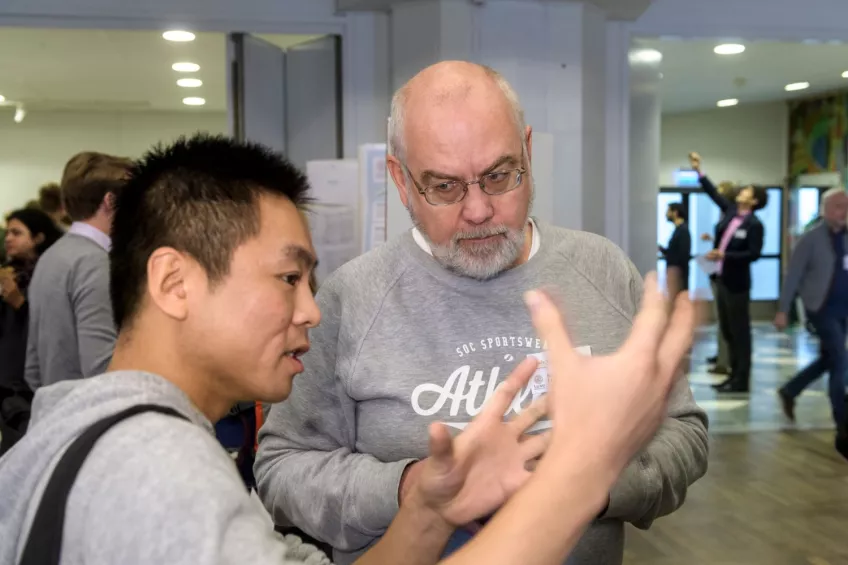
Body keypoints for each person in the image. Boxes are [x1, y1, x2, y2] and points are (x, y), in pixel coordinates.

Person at [0, 134, 698, 565]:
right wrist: (579, 474)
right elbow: (288, 467)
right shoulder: (157, 470)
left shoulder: (77, 424)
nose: (311, 307)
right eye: (288, 277)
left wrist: (429, 502)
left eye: (499, 174)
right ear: (174, 281)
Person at [256, 62, 709, 565]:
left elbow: (684, 435)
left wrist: (591, 485)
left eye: (499, 176)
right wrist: (409, 487)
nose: (477, 210)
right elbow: (281, 467)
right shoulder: (352, 296)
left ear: (528, 155)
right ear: (400, 181)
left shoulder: (602, 270)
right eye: (445, 187)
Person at [24, 152, 133, 391]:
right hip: (94, 418)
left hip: (58, 415)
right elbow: (102, 367)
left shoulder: (50, 257)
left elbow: (33, 369)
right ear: (111, 202)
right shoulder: (95, 263)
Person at [774, 188, 848, 460]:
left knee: (831, 359)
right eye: (839, 206)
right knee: (840, 360)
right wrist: (783, 310)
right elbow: (793, 276)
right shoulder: (811, 239)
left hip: (844, 309)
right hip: (821, 309)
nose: (844, 210)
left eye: (847, 205)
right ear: (825, 209)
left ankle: (790, 390)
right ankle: (843, 424)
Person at [689, 152, 766, 393]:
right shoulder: (732, 212)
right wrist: (698, 171)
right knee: (728, 331)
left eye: (748, 191)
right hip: (721, 280)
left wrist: (725, 256)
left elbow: (754, 254)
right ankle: (733, 376)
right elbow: (714, 194)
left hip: (737, 284)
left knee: (740, 333)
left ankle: (742, 379)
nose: (742, 191)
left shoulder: (755, 224)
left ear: (754, 201)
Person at [0, 209, 63, 454]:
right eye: (8, 232)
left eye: (17, 233)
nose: (8, 239)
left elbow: (50, 329)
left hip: (34, 385)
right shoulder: (8, 273)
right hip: (8, 385)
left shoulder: (48, 275)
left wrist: (19, 302)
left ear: (38, 238)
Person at [699, 181, 737, 375]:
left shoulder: (733, 215)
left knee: (727, 323)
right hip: (717, 272)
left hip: (728, 276)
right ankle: (722, 356)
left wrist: (700, 174)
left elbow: (732, 247)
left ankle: (725, 361)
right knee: (722, 320)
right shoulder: (727, 216)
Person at [659, 202, 691, 297]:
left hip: (678, 278)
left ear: (675, 212)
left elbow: (682, 255)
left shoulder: (683, 231)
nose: (666, 214)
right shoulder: (678, 230)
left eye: (668, 211)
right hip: (675, 276)